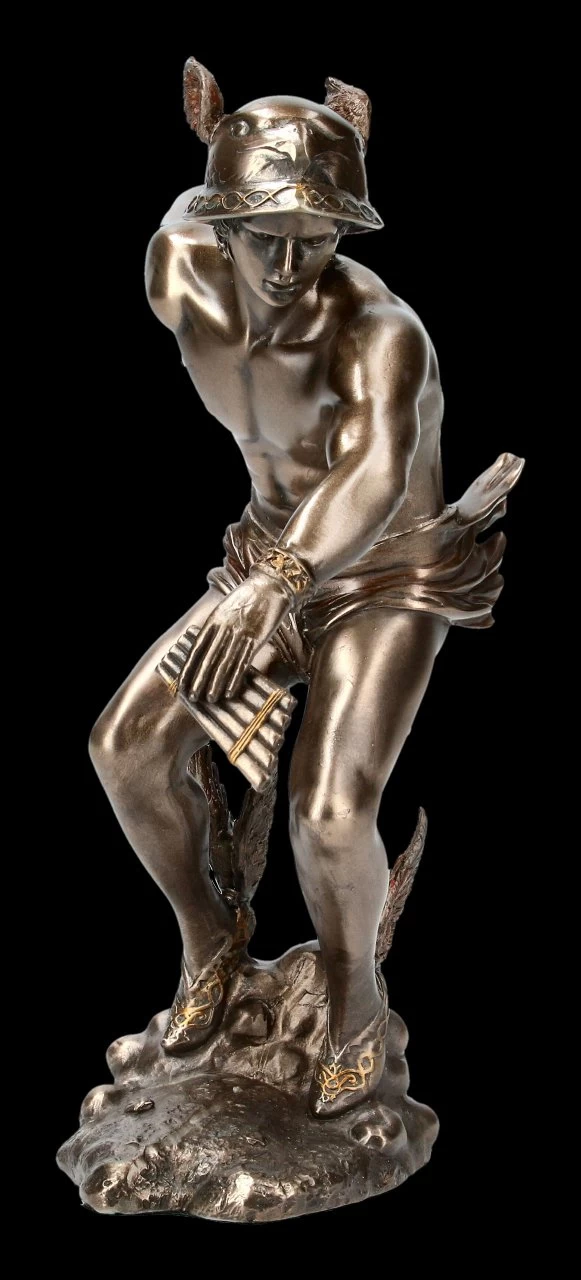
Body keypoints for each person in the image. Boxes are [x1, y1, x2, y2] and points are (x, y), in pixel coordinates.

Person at [88, 60, 524, 1119]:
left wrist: (281, 582)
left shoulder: (381, 331)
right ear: (223, 224)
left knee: (327, 814)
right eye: (263, 234)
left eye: (316, 237)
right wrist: (265, 577)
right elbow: (182, 208)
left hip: (384, 571)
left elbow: (371, 472)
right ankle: (211, 942)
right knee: (126, 748)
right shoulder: (179, 274)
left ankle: (355, 1002)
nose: (288, 264)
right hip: (265, 557)